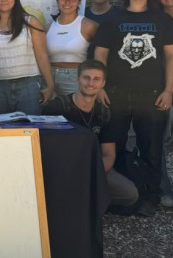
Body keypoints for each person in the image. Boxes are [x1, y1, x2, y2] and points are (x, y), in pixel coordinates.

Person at [94, 0, 173, 217]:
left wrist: (169, 90)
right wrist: (99, 88)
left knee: (151, 149)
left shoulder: (162, 20)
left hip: (152, 93)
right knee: (113, 147)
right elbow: (100, 55)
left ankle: (150, 197)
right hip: (115, 93)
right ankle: (120, 195)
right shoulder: (112, 19)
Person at [44, 60, 139, 212]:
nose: (90, 83)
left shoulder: (105, 113)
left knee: (129, 194)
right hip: (62, 169)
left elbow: (108, 155)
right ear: (78, 79)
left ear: (103, 84)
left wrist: (90, 174)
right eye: (86, 78)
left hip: (93, 168)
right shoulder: (57, 107)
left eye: (96, 79)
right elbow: (47, 151)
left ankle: (87, 201)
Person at [0, 0, 55, 115]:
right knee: (3, 132)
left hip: (29, 85)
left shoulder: (31, 22)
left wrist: (50, 85)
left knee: (29, 129)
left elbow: (42, 56)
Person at [46, 0, 98, 96]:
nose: (67, 2)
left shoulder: (88, 25)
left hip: (75, 77)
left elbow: (101, 53)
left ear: (79, 2)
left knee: (73, 112)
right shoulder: (47, 27)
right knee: (48, 112)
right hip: (48, 77)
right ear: (58, 0)